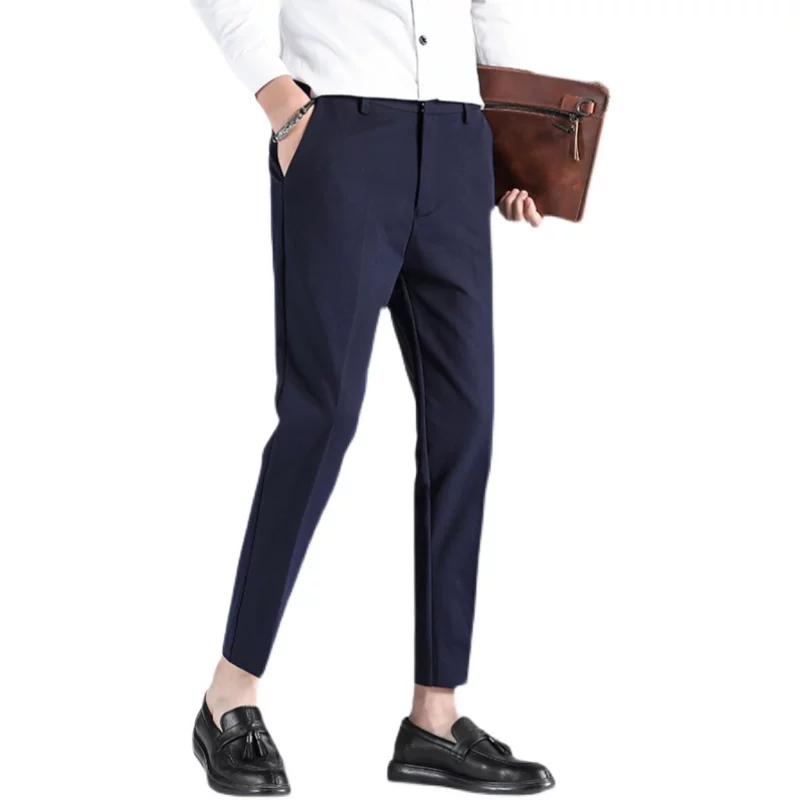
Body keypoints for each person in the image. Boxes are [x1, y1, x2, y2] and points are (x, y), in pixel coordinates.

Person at [190, 0, 553, 794]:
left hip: (459, 138)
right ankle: (230, 694)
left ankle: (435, 718)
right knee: (320, 418)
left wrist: (511, 137)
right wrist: (280, 101)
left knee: (465, 425)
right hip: (342, 133)